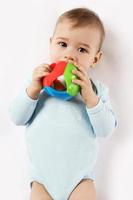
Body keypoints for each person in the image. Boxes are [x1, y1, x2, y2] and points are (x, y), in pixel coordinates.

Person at [9, 7, 117, 200]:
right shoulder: (38, 83)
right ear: (51, 44)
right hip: (42, 180)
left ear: (95, 58)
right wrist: (33, 90)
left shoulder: (96, 90)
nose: (69, 55)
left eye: (82, 49)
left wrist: (91, 98)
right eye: (63, 44)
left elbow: (106, 130)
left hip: (80, 180)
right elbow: (16, 117)